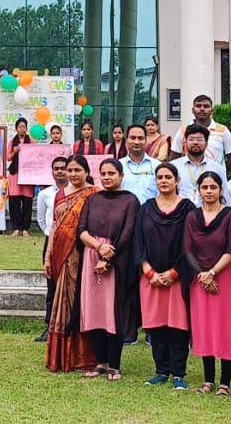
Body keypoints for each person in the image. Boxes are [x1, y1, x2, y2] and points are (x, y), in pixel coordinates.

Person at [77, 158, 140, 381]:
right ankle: (100, 362)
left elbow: (128, 232)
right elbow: (82, 230)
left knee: (112, 312)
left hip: (117, 260)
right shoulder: (93, 199)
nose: (106, 177)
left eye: (111, 173)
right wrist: (98, 247)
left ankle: (114, 364)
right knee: (93, 310)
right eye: (103, 173)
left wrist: (108, 257)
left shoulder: (130, 201)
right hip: (92, 258)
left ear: (121, 176)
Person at [135, 163, 196, 389]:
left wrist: (174, 273)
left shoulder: (188, 209)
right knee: (156, 325)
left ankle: (179, 373)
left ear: (177, 180)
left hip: (177, 278)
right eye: (159, 177)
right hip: (150, 277)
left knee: (178, 326)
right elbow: (138, 240)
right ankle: (161, 371)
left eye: (168, 177)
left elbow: (191, 245)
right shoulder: (146, 209)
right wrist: (148, 270)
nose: (163, 181)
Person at [182, 171, 231, 397]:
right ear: (199, 190)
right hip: (199, 279)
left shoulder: (230, 215)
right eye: (204, 187)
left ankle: (225, 382)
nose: (208, 191)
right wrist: (203, 275)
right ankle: (208, 380)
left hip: (224, 276)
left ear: (220, 190)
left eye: (213, 187)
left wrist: (213, 272)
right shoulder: (192, 217)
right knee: (204, 327)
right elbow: (187, 249)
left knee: (225, 327)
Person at [45, 155, 97, 373]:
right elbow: (55, 226)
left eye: (78, 170)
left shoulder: (95, 194)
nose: (73, 174)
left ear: (86, 172)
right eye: (70, 170)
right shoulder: (59, 195)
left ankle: (82, 355)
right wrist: (48, 256)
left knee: (80, 301)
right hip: (60, 253)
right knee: (62, 298)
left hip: (83, 254)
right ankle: (61, 355)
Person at [35, 156, 72, 342]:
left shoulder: (74, 192)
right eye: (56, 168)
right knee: (52, 284)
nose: (59, 171)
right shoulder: (45, 194)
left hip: (72, 242)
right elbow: (42, 219)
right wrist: (51, 235)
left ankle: (71, 326)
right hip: (51, 242)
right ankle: (49, 325)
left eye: (63, 168)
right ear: (52, 171)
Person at [169, 94, 231, 167]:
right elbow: (174, 159)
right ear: (193, 110)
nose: (202, 109)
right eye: (198, 106)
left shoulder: (223, 130)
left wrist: (219, 171)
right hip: (190, 176)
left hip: (215, 177)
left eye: (206, 106)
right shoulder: (183, 130)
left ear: (212, 111)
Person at [174, 124, 226, 205]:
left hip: (208, 213)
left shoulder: (217, 168)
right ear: (185, 142)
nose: (195, 142)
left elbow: (224, 195)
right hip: (180, 213)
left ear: (206, 143)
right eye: (191, 139)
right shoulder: (174, 166)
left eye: (199, 140)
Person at [6, 118, 35, 237]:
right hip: (15, 173)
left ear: (26, 128)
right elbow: (8, 158)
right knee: (14, 201)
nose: (22, 129)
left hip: (27, 174)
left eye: (24, 127)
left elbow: (35, 156)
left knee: (27, 202)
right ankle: (16, 228)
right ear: (16, 129)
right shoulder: (12, 141)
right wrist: (14, 152)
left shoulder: (32, 141)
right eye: (19, 127)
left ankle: (25, 229)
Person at [119, 123, 161, 204]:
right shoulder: (118, 166)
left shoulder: (157, 166)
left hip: (150, 214)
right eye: (133, 138)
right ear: (126, 140)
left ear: (146, 140)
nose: (136, 142)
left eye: (140, 138)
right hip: (124, 214)